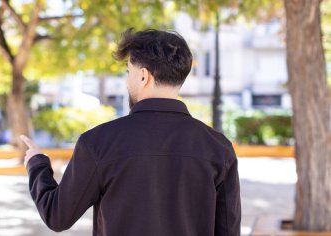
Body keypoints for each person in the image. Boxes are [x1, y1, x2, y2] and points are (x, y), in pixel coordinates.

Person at [20, 28, 241, 236]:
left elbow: (57, 216)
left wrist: (37, 164)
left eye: (128, 71)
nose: (127, 80)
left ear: (144, 76)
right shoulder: (219, 148)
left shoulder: (97, 143)